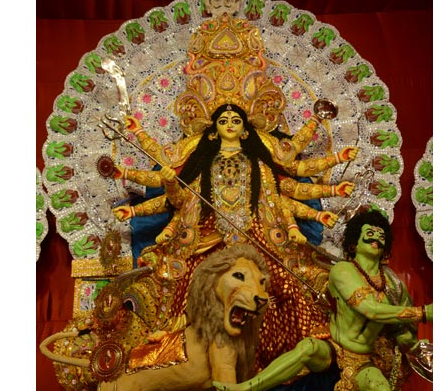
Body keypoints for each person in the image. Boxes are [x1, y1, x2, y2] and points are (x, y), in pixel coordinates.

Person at [111, 101, 356, 371]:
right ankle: (176, 343)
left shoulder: (259, 164)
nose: (230, 125)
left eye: (236, 121)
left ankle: (278, 352)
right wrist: (138, 199)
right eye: (224, 121)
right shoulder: (203, 162)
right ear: (214, 130)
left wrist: (334, 172)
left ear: (245, 130)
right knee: (184, 282)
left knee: (282, 283)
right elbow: (176, 200)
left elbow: (290, 188)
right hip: (208, 235)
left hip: (256, 234)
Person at [213, 209, 433, 391]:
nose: (375, 239)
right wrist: (422, 313)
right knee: (308, 348)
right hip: (336, 348)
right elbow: (369, 309)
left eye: (380, 236)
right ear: (354, 243)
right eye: (369, 234)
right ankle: (245, 388)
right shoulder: (344, 271)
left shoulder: (393, 284)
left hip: (364, 360)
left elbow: (402, 331)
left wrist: (413, 343)